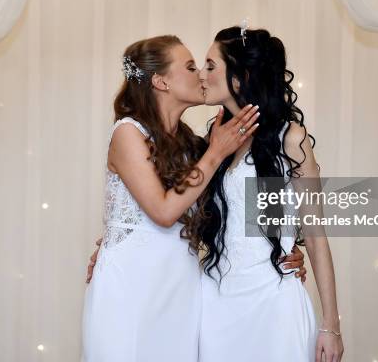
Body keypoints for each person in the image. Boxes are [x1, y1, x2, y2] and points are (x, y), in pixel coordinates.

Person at [81, 34, 260, 362]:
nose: (201, 75)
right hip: (131, 287)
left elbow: (231, 206)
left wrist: (282, 252)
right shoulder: (128, 133)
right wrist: (216, 152)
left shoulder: (193, 144)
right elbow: (163, 211)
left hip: (182, 289)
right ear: (161, 81)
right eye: (191, 67)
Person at [190, 26, 344, 362]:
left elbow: (315, 236)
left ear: (240, 77)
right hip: (216, 305)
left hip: (274, 307)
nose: (201, 74)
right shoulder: (215, 140)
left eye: (211, 66)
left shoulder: (290, 139)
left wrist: (330, 326)